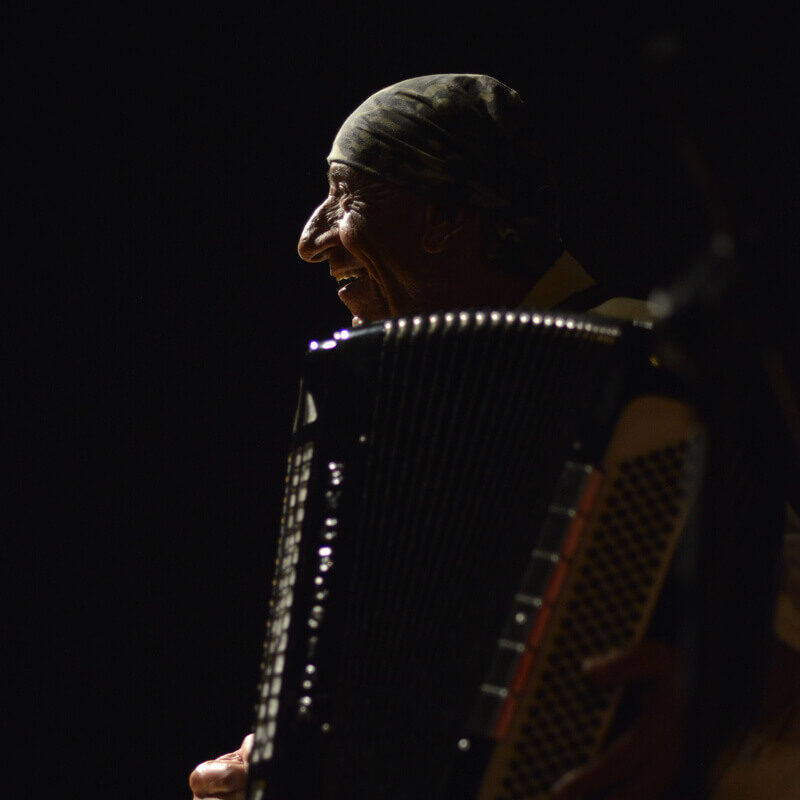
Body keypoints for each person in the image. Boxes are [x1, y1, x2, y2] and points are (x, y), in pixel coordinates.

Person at [189, 74, 798, 800]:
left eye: (345, 197)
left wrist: (715, 697)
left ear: (444, 217)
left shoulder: (639, 360)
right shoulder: (396, 406)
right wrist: (291, 758)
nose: (312, 240)